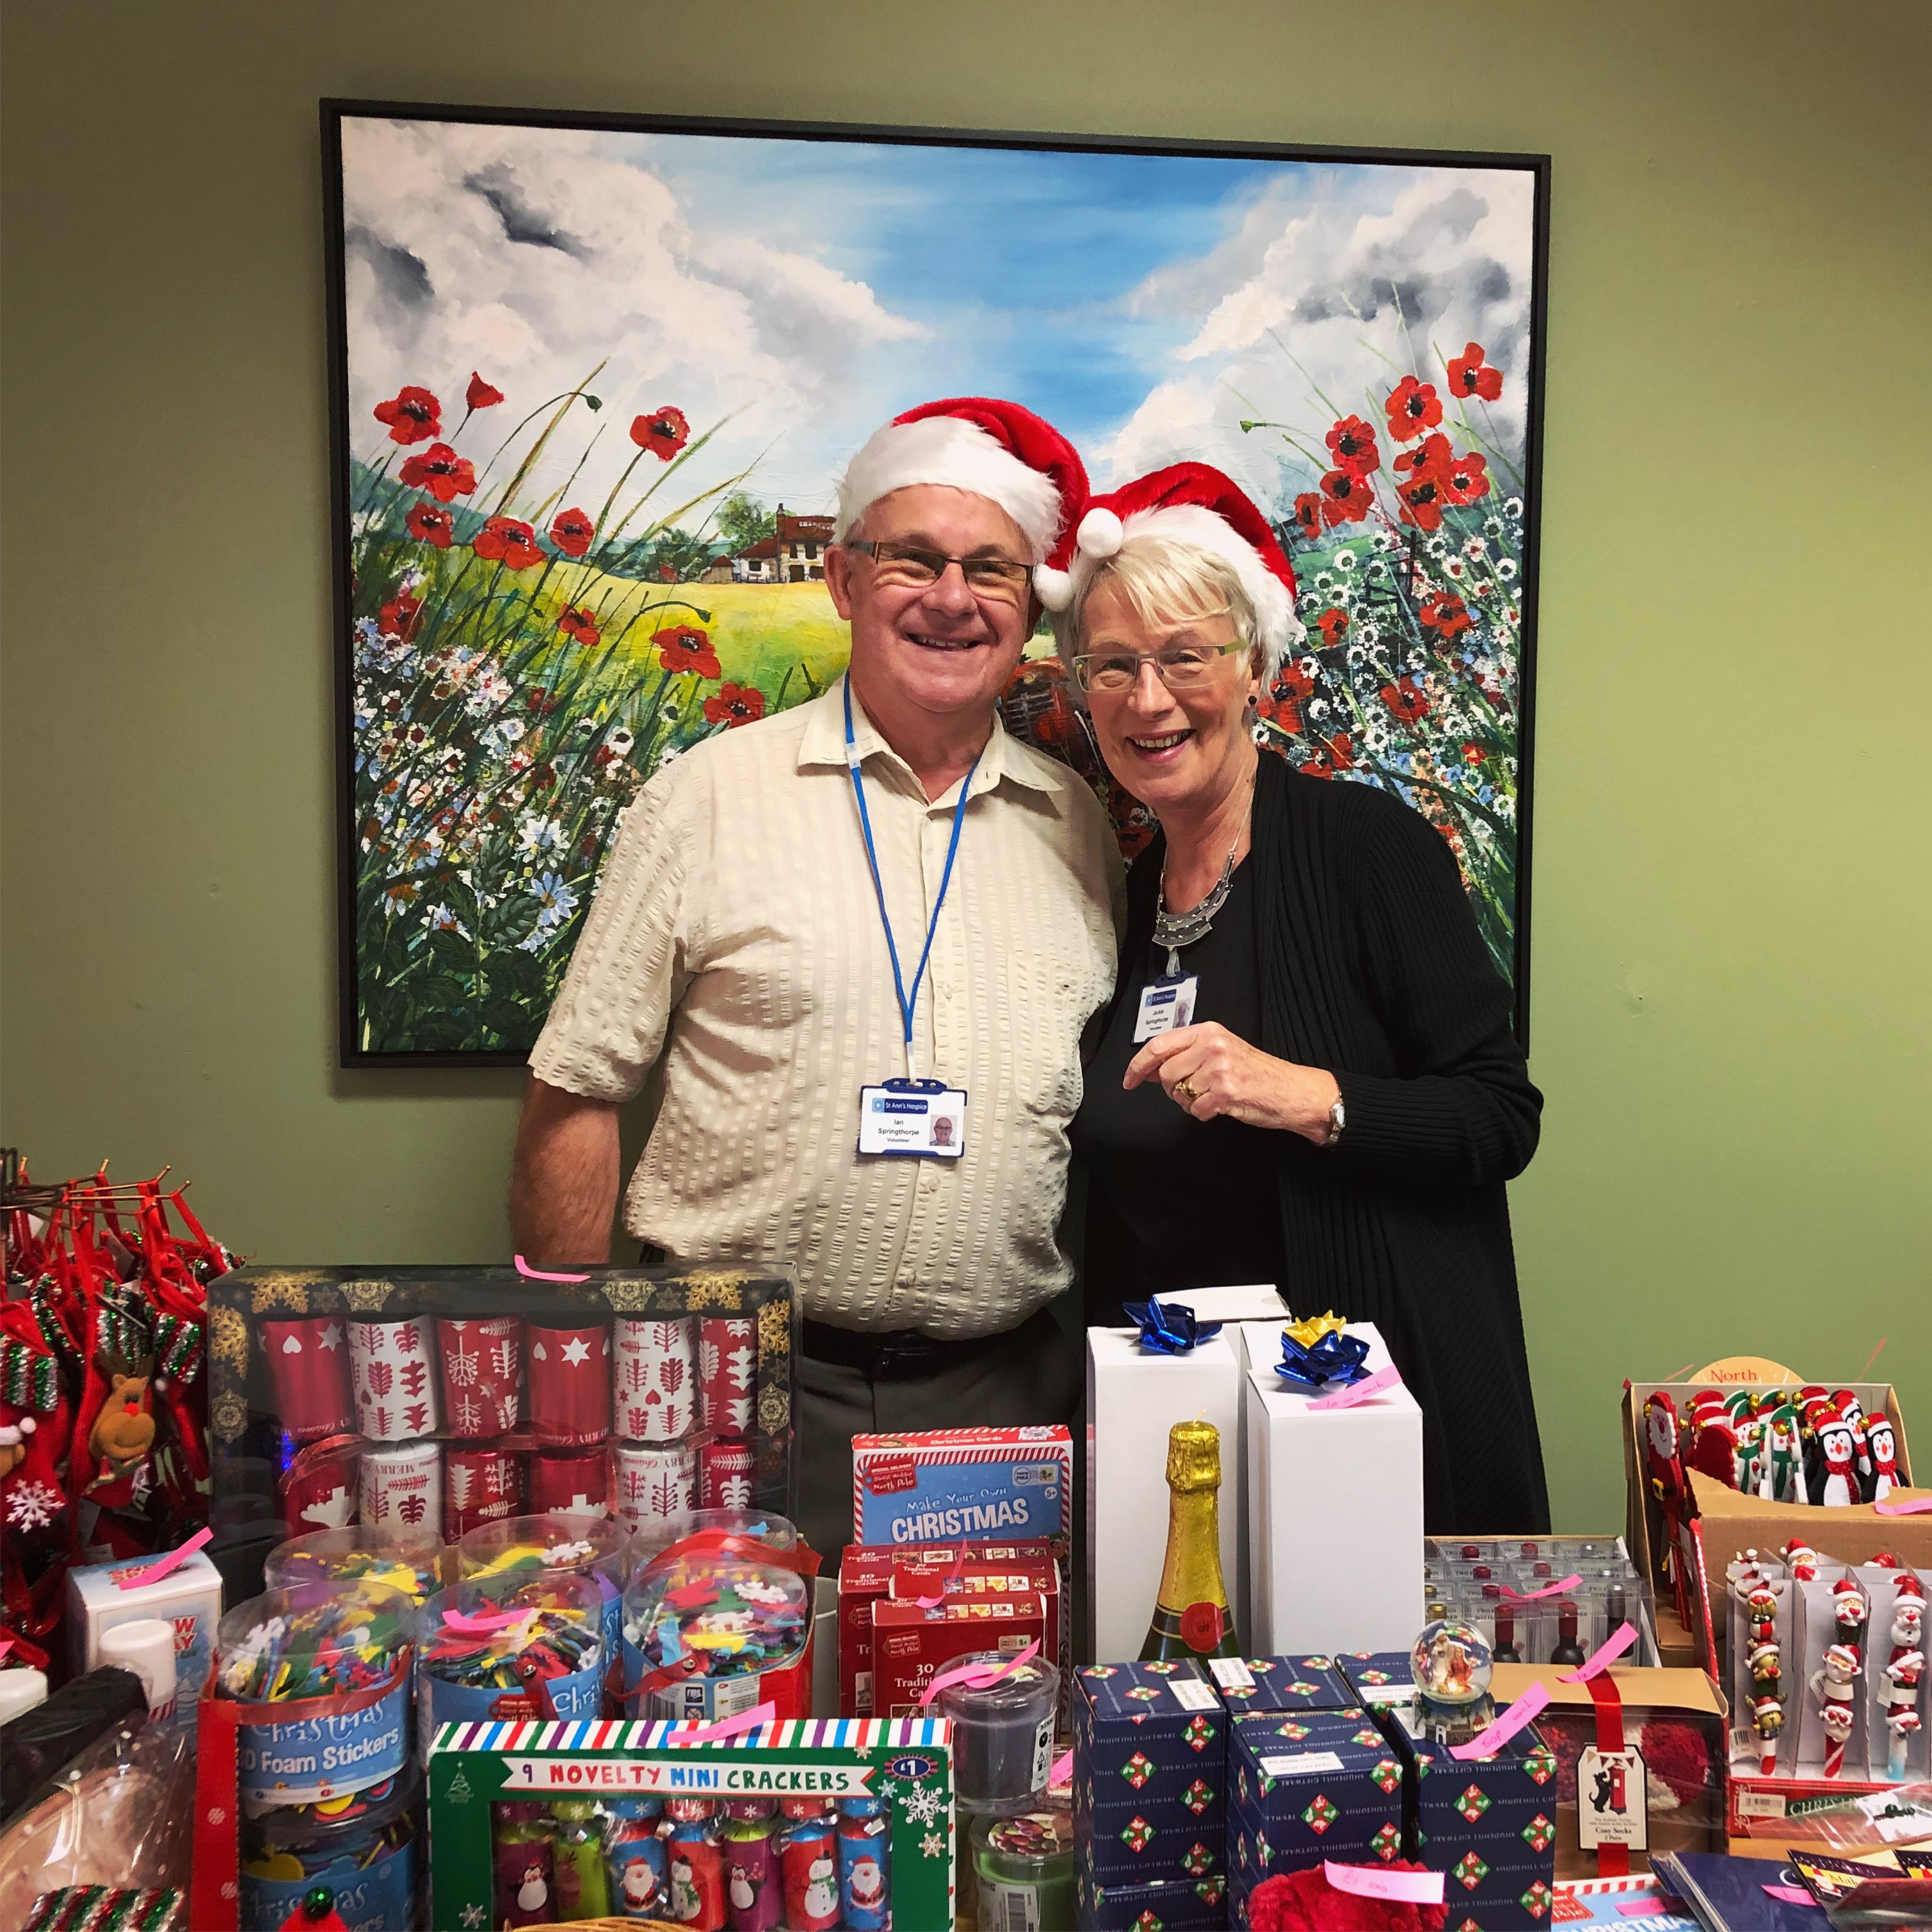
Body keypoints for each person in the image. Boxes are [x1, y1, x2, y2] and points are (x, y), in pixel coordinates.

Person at [511, 398, 1123, 1561]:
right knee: (734, 1721)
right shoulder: (705, 798)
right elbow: (578, 1086)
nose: (952, 597)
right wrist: (574, 1386)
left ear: (1028, 610)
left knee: (985, 1723)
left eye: (990, 569)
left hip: (996, 1404)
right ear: (844, 581)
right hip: (726, 1394)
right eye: (913, 559)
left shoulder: (1076, 826)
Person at [1059, 463, 1548, 1531]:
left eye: (1185, 656)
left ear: (1255, 669)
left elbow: (1500, 1116)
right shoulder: (1130, 890)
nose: (1148, 699)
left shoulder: (1362, 846)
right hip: (1180, 1439)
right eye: (1113, 666)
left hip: (1360, 1427)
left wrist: (1307, 1095)